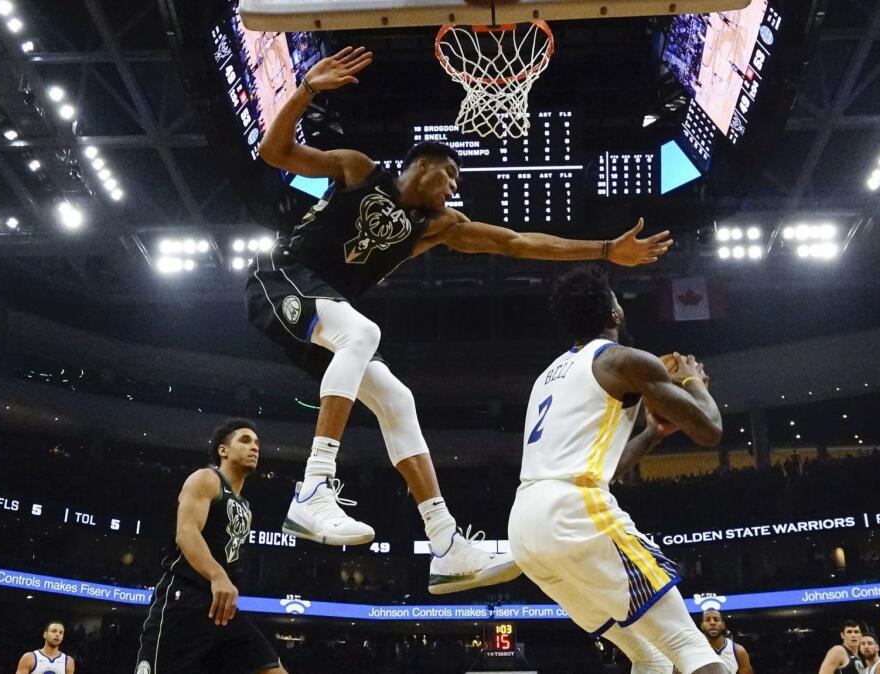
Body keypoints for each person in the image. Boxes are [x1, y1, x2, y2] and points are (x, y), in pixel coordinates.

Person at [252, 45, 672, 595]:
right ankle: (313, 488)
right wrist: (305, 90)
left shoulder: (439, 226)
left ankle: (447, 544)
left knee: (397, 398)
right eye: (448, 172)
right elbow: (274, 151)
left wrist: (603, 249)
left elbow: (519, 244)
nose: (453, 185)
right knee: (363, 330)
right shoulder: (359, 170)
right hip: (280, 278)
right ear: (419, 165)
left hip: (325, 310)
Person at [507, 265, 726, 674]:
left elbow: (604, 469)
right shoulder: (623, 360)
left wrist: (652, 435)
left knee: (650, 655)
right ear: (614, 314)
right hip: (573, 512)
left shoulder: (547, 377)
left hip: (525, 527)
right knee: (687, 643)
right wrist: (695, 381)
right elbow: (710, 430)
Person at [134, 419, 286, 674]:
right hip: (184, 600)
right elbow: (186, 533)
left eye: (258, 443)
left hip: (223, 609)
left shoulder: (246, 508)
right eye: (245, 440)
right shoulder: (206, 478)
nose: (255, 447)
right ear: (223, 450)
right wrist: (217, 576)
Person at [700, 609, 753, 673]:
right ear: (702, 626)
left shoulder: (738, 651)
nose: (712, 623)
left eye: (716, 619)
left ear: (723, 625)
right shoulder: (696, 651)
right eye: (708, 620)